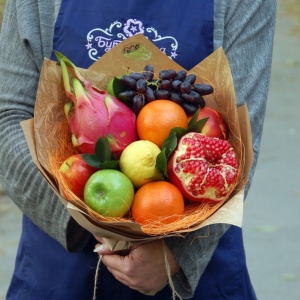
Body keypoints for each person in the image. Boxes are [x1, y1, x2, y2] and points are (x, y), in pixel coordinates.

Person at [0, 0, 277, 299]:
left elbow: (243, 137)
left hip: (193, 266)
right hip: (63, 266)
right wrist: (93, 226)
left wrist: (177, 254)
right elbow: (10, 117)